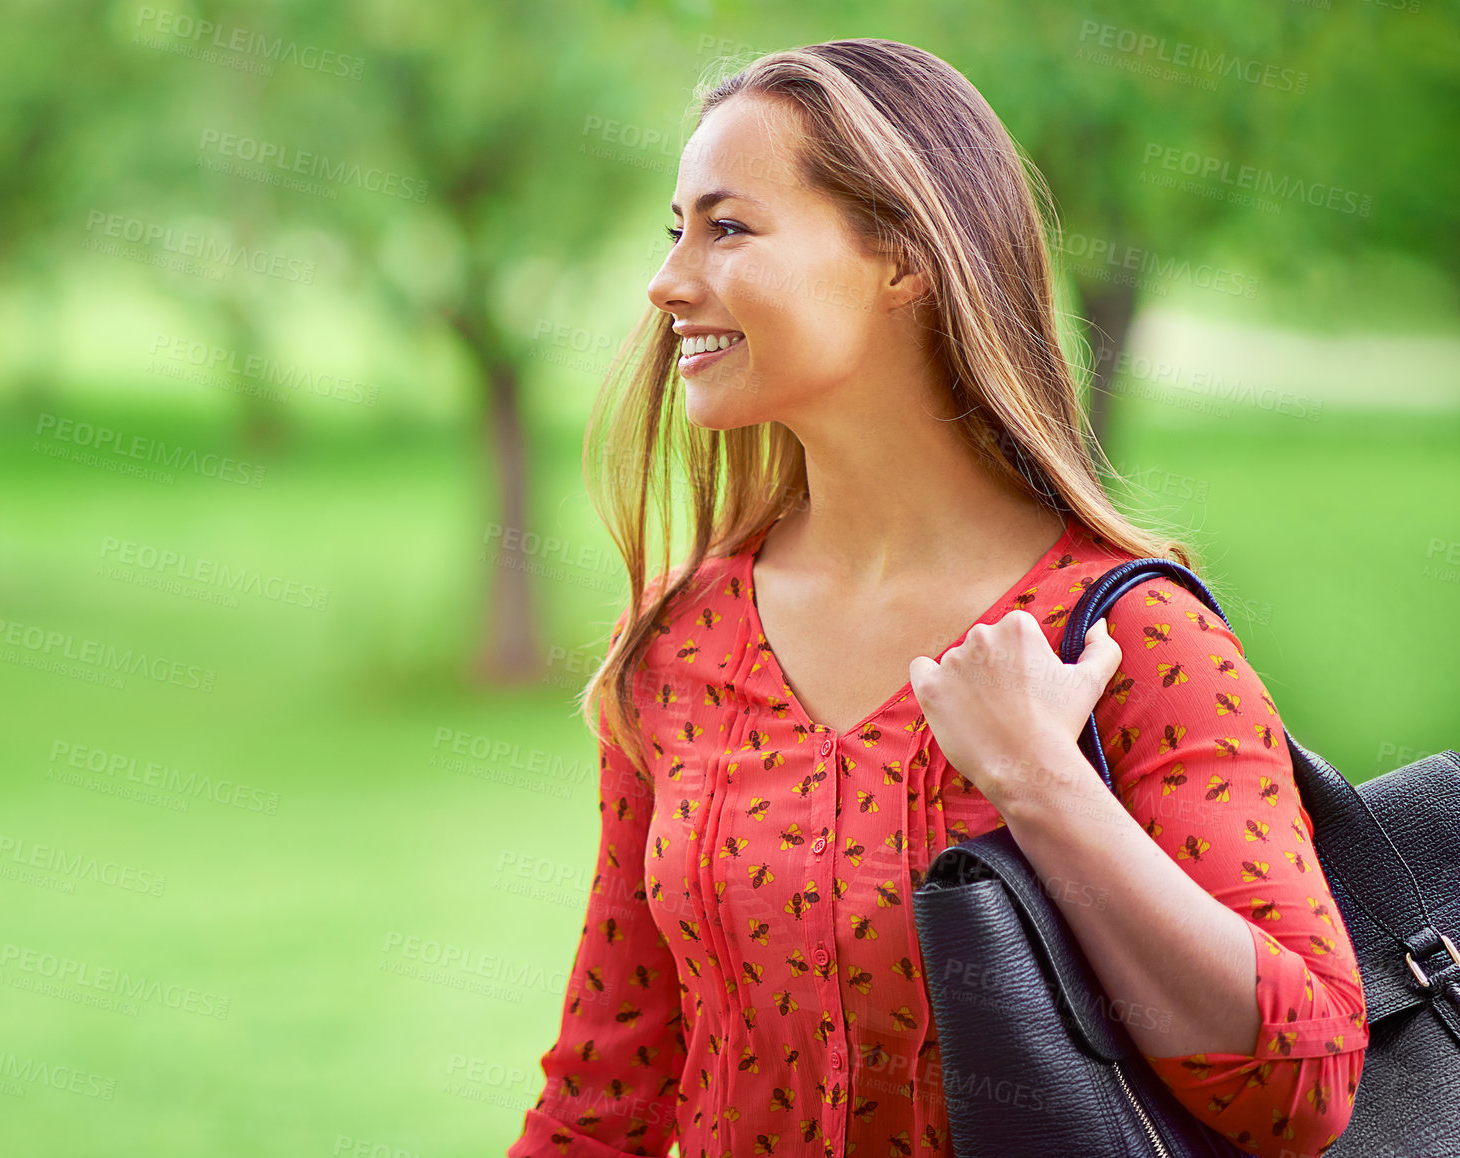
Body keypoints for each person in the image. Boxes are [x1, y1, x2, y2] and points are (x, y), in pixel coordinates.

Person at [506, 38, 1365, 1158]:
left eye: (727, 227)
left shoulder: (1126, 638)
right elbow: (605, 1093)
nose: (669, 280)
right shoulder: (678, 640)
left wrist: (1042, 782)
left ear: (902, 257)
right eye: (675, 231)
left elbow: (1299, 1090)